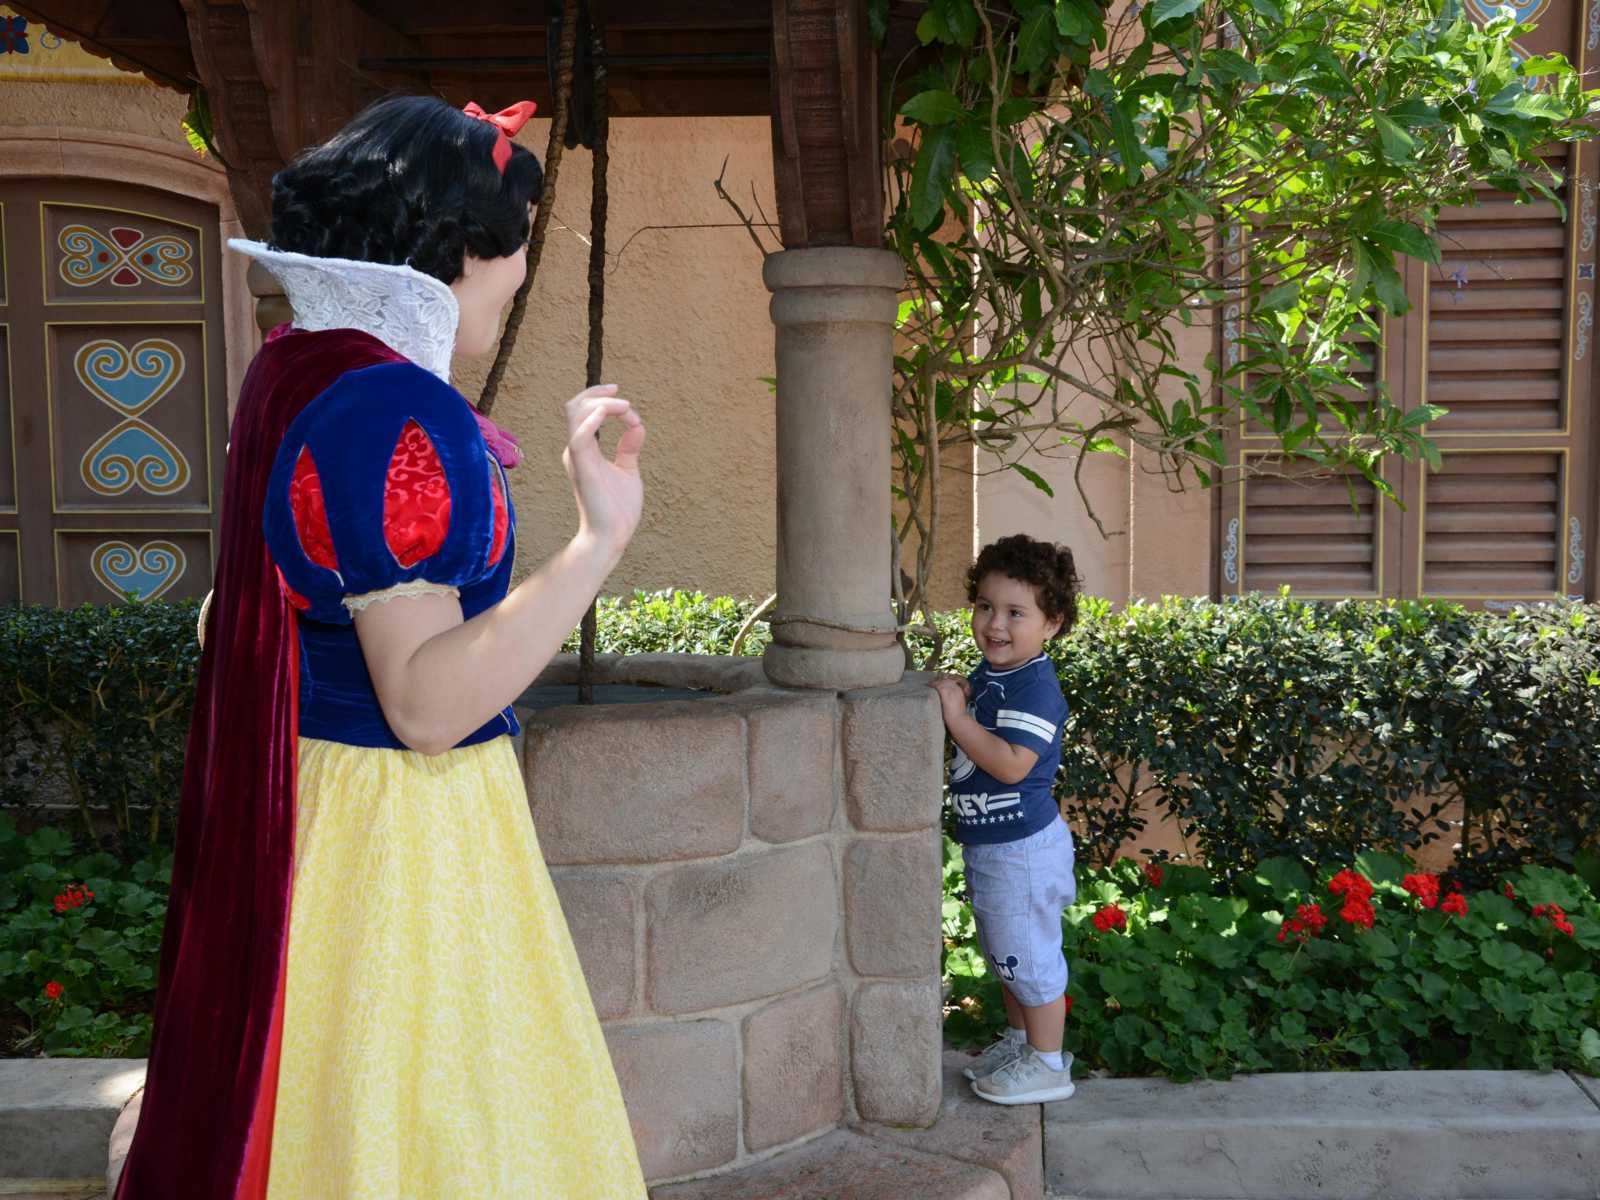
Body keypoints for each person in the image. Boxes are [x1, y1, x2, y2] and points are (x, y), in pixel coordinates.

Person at [114, 96, 648, 1199]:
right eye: (518, 250)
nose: (518, 277)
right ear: (464, 250)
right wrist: (599, 540)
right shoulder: (397, 414)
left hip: (309, 808)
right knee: (429, 1142)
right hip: (399, 838)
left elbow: (239, 615)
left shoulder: (295, 369)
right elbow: (425, 702)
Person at [931, 533, 1080, 1106]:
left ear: (1052, 623)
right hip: (996, 847)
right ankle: (1022, 1044)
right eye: (986, 607)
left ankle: (1047, 1064)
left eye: (1016, 612)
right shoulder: (998, 672)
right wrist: (967, 692)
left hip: (1022, 849)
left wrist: (956, 716)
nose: (995, 624)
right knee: (1006, 954)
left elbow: (1012, 764)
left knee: (1028, 957)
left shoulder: (1037, 686)